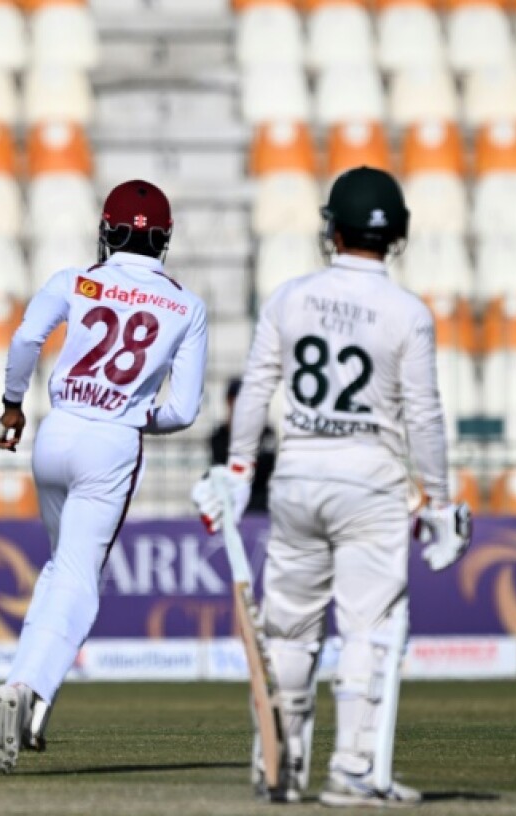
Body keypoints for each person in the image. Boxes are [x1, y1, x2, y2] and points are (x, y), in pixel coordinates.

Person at [191, 167, 472, 806]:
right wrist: (441, 502)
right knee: (368, 629)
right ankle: (352, 771)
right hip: (370, 482)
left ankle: (280, 768)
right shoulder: (408, 313)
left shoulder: (291, 296)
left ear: (332, 228)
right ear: (395, 234)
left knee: (289, 631)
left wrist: (238, 472)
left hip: (296, 475)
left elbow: (257, 388)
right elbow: (424, 415)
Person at [0, 180, 209, 774]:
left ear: (108, 231)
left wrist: (11, 404)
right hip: (110, 441)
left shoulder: (77, 279)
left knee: (59, 571)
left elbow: (28, 337)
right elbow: (183, 411)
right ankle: (28, 690)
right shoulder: (186, 305)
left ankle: (25, 697)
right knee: (80, 579)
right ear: (164, 240)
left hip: (55, 432)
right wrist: (137, 415)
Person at [209, 377, 275, 513]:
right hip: (229, 504)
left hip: (260, 504)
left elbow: (265, 470)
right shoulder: (219, 436)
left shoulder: (266, 432)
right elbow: (224, 473)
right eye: (238, 399)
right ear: (229, 401)